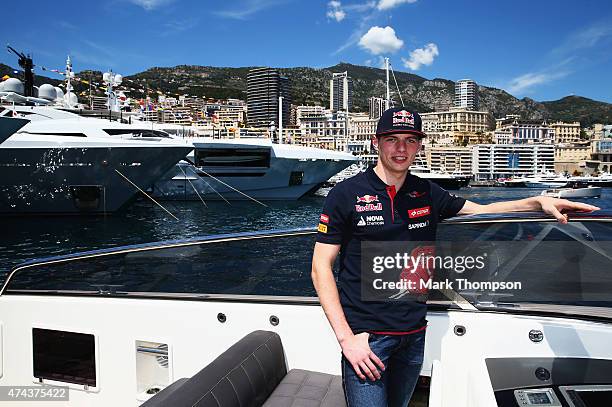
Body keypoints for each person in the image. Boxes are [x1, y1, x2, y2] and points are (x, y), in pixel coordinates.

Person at [310, 107, 599, 407]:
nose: (401, 148)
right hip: (368, 340)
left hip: (413, 335)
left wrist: (537, 202)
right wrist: (347, 341)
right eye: (392, 139)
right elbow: (321, 268)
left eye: (410, 140)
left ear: (419, 146)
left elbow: (482, 212)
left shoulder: (426, 191)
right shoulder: (345, 194)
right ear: (375, 142)